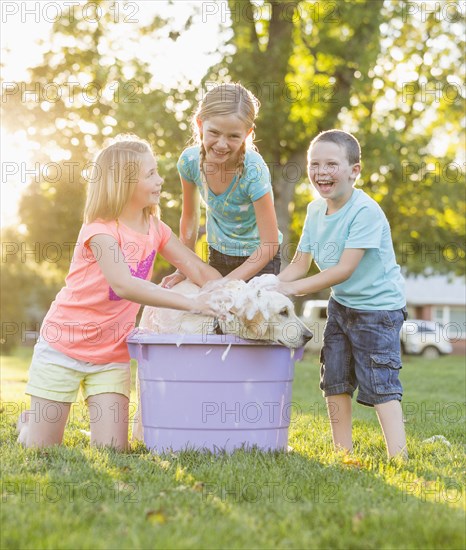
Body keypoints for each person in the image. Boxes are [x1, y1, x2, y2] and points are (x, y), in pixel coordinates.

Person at [17, 135, 222, 450]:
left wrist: (230, 293)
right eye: (150, 174)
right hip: (63, 347)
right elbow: (124, 284)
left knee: (113, 449)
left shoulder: (155, 229)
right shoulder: (99, 231)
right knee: (40, 448)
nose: (159, 179)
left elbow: (197, 269)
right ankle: (29, 425)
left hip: (111, 355)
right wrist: (192, 303)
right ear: (125, 182)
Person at [277, 129, 408, 459]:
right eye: (314, 163)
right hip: (342, 305)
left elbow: (343, 269)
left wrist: (292, 289)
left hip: (379, 310)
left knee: (380, 385)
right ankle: (342, 451)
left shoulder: (365, 212)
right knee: (334, 379)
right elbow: (299, 263)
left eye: (332, 164)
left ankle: (399, 455)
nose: (321, 172)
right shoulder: (313, 211)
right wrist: (271, 286)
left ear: (354, 170)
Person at [162, 82, 281, 287]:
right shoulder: (189, 162)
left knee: (251, 317)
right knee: (218, 316)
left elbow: (269, 244)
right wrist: (184, 267)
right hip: (218, 254)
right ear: (200, 124)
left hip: (259, 260)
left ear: (248, 133)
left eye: (233, 136)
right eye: (214, 133)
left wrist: (226, 284)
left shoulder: (253, 170)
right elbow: (190, 218)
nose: (221, 144)